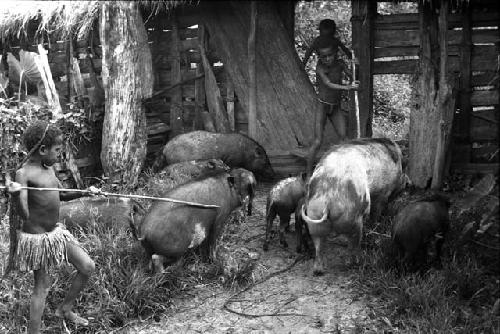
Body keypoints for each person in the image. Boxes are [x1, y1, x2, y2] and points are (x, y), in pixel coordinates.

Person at [6, 120, 100, 333]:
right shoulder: (24, 174)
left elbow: (63, 194)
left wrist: (87, 191)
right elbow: (24, 213)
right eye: (57, 150)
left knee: (87, 266)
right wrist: (14, 196)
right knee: (42, 287)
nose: (59, 154)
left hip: (55, 234)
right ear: (42, 149)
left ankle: (65, 310)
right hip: (38, 240)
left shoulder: (48, 168)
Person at [306, 36, 359, 177]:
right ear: (319, 57)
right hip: (323, 106)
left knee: (344, 138)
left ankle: (346, 171)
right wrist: (347, 87)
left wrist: (356, 66)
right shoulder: (320, 68)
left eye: (330, 55)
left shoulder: (340, 64)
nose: (327, 59)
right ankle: (308, 174)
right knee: (317, 141)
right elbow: (328, 84)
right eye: (323, 57)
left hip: (335, 107)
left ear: (336, 53)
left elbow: (352, 76)